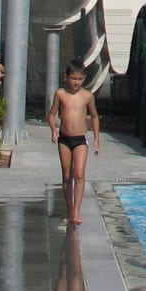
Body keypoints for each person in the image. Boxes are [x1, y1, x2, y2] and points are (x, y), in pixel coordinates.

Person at [47, 61, 101, 227]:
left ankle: (76, 211)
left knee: (79, 174)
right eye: (73, 78)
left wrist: (96, 139)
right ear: (66, 78)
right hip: (64, 138)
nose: (76, 82)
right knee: (67, 176)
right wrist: (53, 130)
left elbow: (94, 116)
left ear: (84, 78)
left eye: (80, 79)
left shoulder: (87, 96)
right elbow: (52, 114)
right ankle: (69, 209)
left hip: (80, 139)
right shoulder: (60, 94)